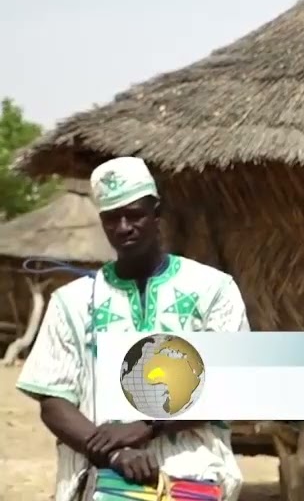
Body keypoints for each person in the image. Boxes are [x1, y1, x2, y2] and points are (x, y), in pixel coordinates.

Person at [16, 156, 250, 501]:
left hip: (194, 477)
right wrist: (113, 453)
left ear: (157, 215)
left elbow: (233, 381)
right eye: (112, 218)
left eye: (135, 214)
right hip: (102, 481)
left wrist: (146, 426)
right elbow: (53, 400)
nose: (124, 227)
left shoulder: (212, 289)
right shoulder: (73, 301)